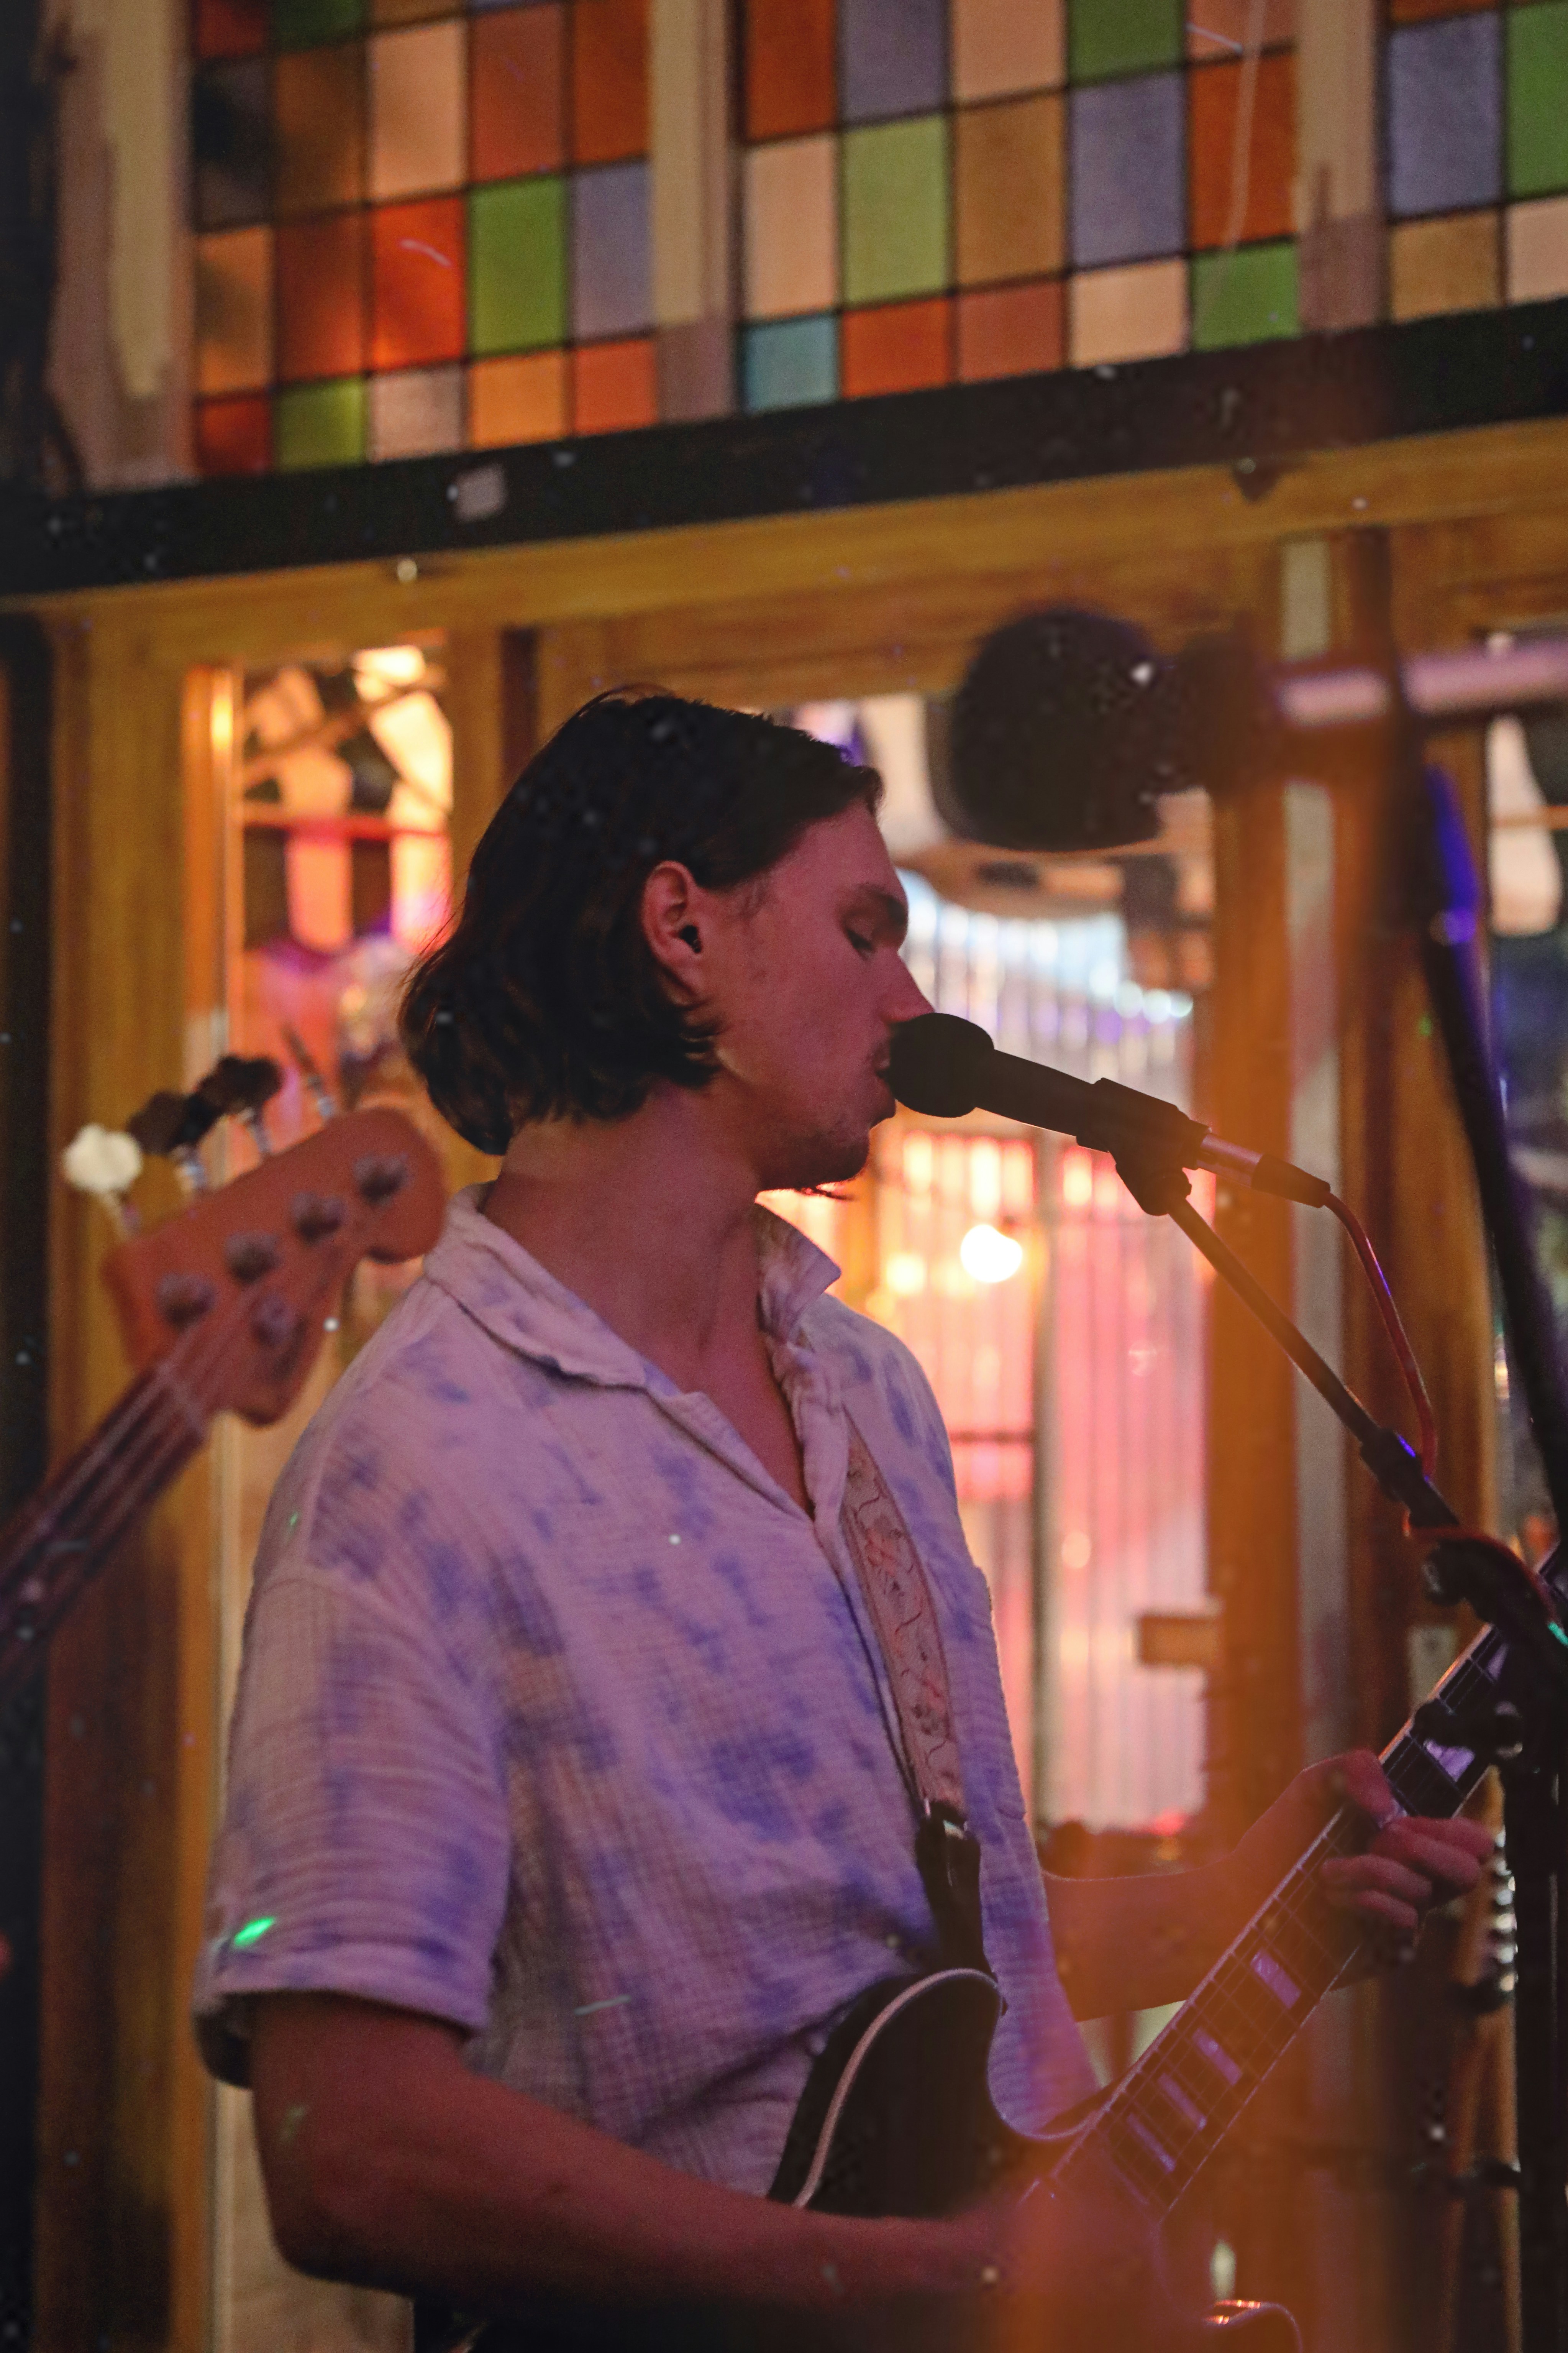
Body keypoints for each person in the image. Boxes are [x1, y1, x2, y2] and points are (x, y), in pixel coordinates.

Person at [193, 692, 1491, 2349]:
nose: (910, 996)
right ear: (682, 930)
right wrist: (929, 2279)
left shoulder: (868, 1393)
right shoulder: (422, 1464)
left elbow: (873, 1949)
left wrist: (1240, 1890)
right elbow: (345, 2146)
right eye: (867, 927)